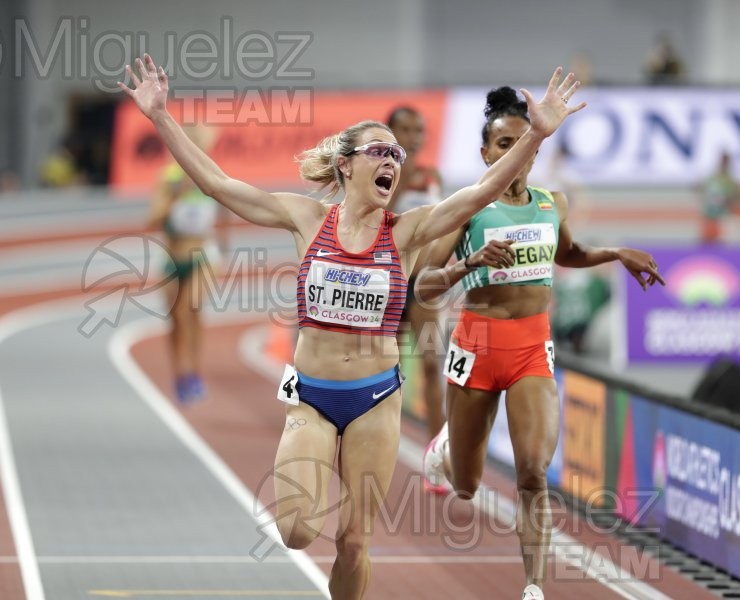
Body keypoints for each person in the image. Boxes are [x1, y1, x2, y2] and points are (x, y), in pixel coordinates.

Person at [119, 54, 583, 599]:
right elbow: (219, 184)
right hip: (312, 396)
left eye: (399, 154)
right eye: (380, 152)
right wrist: (159, 116)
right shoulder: (305, 218)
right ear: (347, 165)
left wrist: (536, 139)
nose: (393, 162)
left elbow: (478, 194)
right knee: (295, 530)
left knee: (355, 542)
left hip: (375, 399)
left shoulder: (407, 231)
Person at [419, 86, 664, 600]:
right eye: (501, 145)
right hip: (476, 346)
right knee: (466, 485)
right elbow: (422, 284)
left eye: (522, 143)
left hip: (532, 348)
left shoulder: (553, 202)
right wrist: (470, 263)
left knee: (533, 472)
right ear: (485, 155)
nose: (513, 153)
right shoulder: (464, 210)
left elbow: (568, 254)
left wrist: (617, 252)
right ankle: (445, 445)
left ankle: (534, 586)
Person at [385, 106, 450, 494]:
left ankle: (435, 461)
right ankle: (377, 443)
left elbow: (441, 226)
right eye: (404, 129)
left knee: (430, 364)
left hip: (423, 285)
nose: (412, 137)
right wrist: (398, 184)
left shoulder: (432, 178)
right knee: (386, 370)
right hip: (388, 285)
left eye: (418, 130)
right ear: (389, 132)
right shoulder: (378, 175)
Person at [148, 124, 228, 404]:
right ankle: (180, 374)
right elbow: (152, 220)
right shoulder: (169, 177)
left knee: (188, 311)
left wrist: (224, 242)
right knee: (175, 320)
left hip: (202, 255)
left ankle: (193, 371)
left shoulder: (210, 174)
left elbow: (227, 205)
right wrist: (175, 195)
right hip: (172, 257)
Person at [700, 151, 739, 243]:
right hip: (710, 217)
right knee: (706, 243)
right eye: (722, 161)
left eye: (726, 161)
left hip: (723, 219)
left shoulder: (731, 182)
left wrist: (727, 201)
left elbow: (735, 198)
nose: (723, 164)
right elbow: (704, 193)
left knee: (721, 245)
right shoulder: (712, 179)